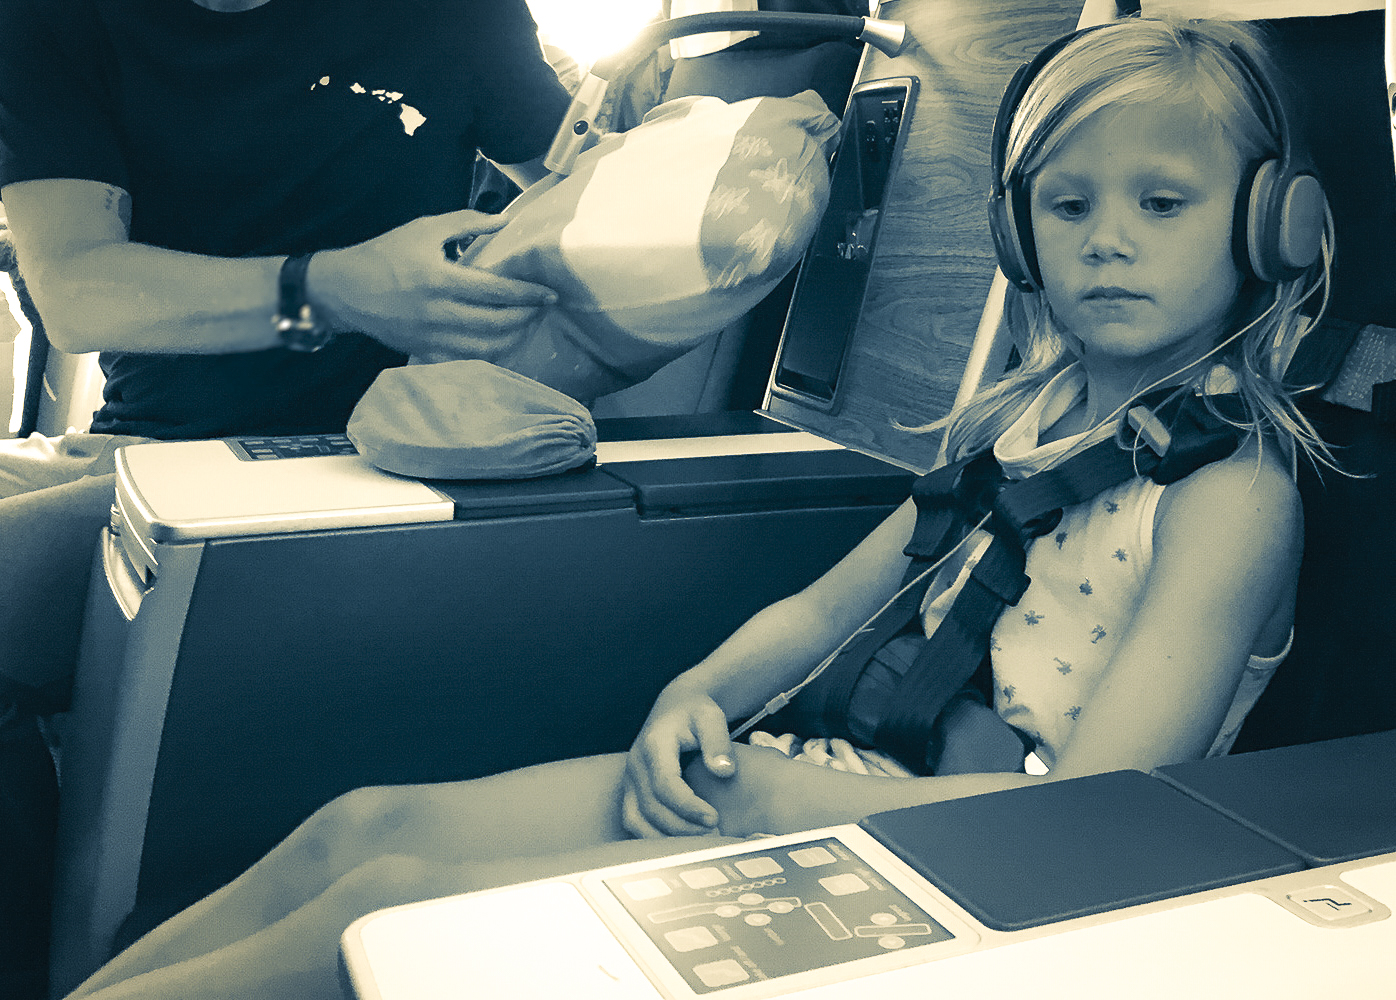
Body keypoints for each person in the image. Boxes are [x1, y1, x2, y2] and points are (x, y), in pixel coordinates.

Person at [61, 16, 1337, 1000]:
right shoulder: (1016, 427)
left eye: (1161, 202)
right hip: (821, 783)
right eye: (1068, 204)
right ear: (1017, 233)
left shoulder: (1228, 497)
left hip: (963, 869)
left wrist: (784, 800)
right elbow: (826, 609)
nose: (1106, 238)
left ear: (1269, 226)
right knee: (366, 830)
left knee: (384, 914)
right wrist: (703, 694)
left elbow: (1093, 819)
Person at [0, 1, 571, 996]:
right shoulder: (51, 19)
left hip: (385, 448)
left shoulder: (459, 12)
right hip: (148, 445)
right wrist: (326, 289)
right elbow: (79, 290)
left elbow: (573, 188)